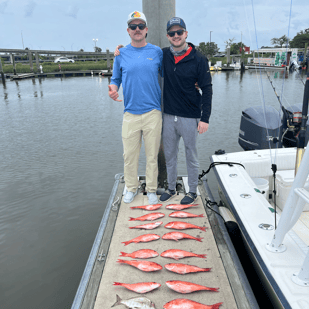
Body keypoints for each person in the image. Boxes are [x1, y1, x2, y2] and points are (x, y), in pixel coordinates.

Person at [108, 11, 163, 205]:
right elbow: (115, 80)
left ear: (146, 30)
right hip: (130, 113)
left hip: (153, 113)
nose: (137, 30)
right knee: (129, 156)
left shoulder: (157, 52)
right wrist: (113, 90)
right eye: (133, 27)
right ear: (128, 31)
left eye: (141, 26)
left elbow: (171, 73)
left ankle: (151, 190)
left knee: (151, 156)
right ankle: (130, 188)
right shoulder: (121, 54)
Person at [159, 17, 212, 204]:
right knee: (170, 155)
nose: (176, 36)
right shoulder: (163, 55)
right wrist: (121, 51)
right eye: (172, 33)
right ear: (168, 36)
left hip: (190, 116)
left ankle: (192, 192)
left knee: (191, 154)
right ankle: (171, 188)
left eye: (179, 32)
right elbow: (142, 53)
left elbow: (207, 90)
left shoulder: (199, 59)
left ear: (186, 34)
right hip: (168, 115)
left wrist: (205, 118)